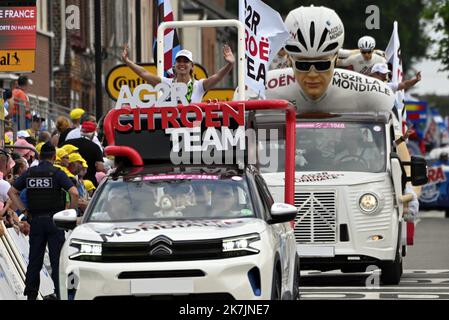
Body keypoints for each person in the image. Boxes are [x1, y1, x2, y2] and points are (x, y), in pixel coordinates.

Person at [7, 142, 79, 300]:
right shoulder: (57, 173)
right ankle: (62, 294)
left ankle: (31, 295)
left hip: (36, 221)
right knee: (57, 263)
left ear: (39, 157)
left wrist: (25, 211)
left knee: (34, 261)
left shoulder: (30, 173)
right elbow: (74, 193)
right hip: (55, 222)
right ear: (54, 157)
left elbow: (12, 192)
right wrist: (70, 215)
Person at [122, 44, 235, 103]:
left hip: (192, 133)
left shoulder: (199, 85)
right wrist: (128, 62)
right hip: (171, 132)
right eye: (179, 61)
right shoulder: (166, 83)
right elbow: (144, 73)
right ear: (174, 66)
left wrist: (229, 64)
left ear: (192, 66)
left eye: (186, 61)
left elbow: (218, 76)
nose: (182, 64)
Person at [64, 121, 104, 187]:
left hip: (67, 181)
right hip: (89, 183)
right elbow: (100, 167)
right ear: (93, 134)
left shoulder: (67, 143)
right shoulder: (95, 147)